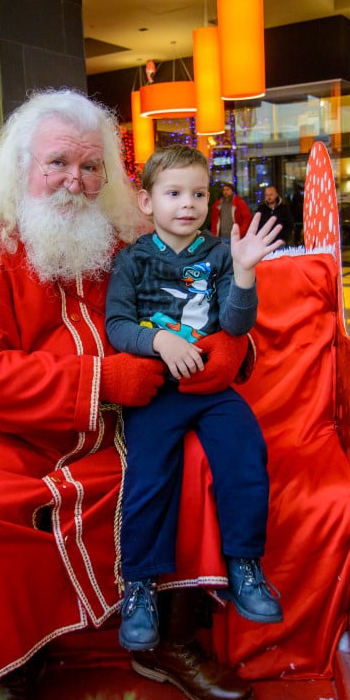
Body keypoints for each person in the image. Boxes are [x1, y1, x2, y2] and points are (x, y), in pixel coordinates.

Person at [0, 89, 261, 700]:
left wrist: (229, 349)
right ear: (22, 166)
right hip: (14, 434)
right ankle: (18, 660)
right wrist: (102, 382)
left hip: (122, 429)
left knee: (193, 465)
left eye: (90, 168)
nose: (74, 182)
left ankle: (169, 639)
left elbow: (201, 309)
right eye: (58, 162)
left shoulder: (125, 243)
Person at [105, 145, 284, 654]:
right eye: (174, 193)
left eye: (198, 194)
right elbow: (117, 325)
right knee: (148, 476)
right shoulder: (132, 260)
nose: (188, 204)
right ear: (147, 201)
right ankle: (139, 585)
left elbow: (235, 325)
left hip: (211, 388)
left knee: (246, 452)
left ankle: (245, 564)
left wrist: (245, 273)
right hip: (159, 391)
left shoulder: (221, 254)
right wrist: (159, 340)